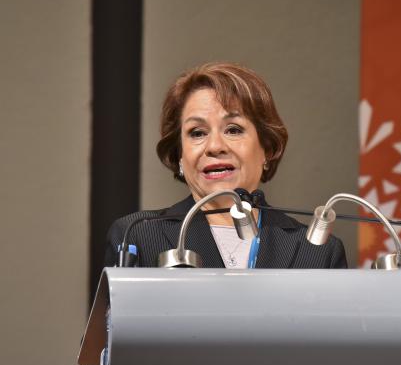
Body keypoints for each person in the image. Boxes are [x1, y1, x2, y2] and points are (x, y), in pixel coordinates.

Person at [104, 62, 347, 270]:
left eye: (233, 130)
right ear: (179, 155)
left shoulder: (318, 251)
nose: (215, 146)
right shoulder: (138, 235)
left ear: (267, 148)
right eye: (197, 133)